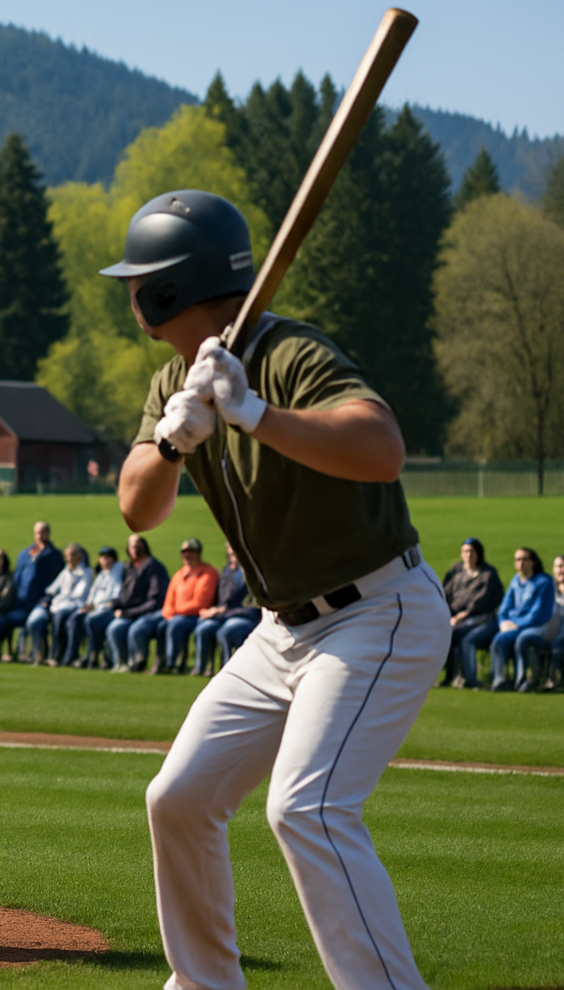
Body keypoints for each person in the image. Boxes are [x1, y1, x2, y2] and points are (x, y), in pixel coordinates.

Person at [107, 190, 448, 989]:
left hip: (377, 610)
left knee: (309, 808)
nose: (129, 296)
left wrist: (254, 412)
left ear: (165, 292)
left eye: (136, 282)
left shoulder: (289, 354)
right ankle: (204, 984)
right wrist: (170, 439)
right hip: (279, 632)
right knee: (179, 797)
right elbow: (136, 506)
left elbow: (383, 448)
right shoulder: (174, 382)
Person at [0, 521, 63, 660]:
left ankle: (36, 654)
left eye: (42, 532)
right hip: (22, 602)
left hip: (41, 603)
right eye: (36, 532)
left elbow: (57, 582)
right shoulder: (25, 554)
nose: (39, 535)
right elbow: (17, 578)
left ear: (48, 533)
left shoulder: (54, 556)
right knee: (2, 620)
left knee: (35, 622)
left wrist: (47, 601)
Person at [481, 547, 553, 692]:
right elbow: (504, 607)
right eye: (517, 560)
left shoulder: (544, 582)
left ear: (533, 562)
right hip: (513, 625)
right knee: (498, 638)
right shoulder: (516, 580)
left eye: (524, 559)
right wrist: (503, 622)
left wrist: (516, 624)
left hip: (538, 626)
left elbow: (537, 613)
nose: (520, 563)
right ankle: (499, 679)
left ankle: (522, 681)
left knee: (521, 639)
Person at [441, 537, 503, 688]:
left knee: (463, 639)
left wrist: (465, 614)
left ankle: (469, 679)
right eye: (465, 551)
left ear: (479, 553)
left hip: (482, 619)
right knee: (445, 633)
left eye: (472, 551)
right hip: (457, 618)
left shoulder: (487, 574)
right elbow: (444, 594)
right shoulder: (456, 572)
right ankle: (451, 676)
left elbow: (483, 600)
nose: (468, 555)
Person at [190, 543, 259, 677]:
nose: (232, 551)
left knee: (225, 631)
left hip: (244, 615)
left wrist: (222, 610)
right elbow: (222, 599)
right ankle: (201, 668)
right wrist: (213, 610)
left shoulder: (249, 571)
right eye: (230, 548)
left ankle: (227, 670)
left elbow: (244, 601)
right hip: (225, 615)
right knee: (203, 629)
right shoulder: (227, 570)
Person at [104, 534, 168, 672]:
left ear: (144, 546)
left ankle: (138, 663)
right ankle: (120, 663)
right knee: (114, 628)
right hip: (130, 613)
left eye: (137, 545)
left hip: (149, 612)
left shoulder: (153, 566)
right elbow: (125, 596)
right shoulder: (129, 567)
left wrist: (128, 613)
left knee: (136, 629)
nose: (134, 548)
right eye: (131, 545)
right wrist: (115, 603)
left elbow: (155, 600)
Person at [156, 538, 218, 674]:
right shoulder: (179, 574)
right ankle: (160, 661)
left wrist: (176, 612)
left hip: (195, 616)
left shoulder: (208, 573)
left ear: (199, 554)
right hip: (177, 616)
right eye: (185, 552)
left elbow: (200, 603)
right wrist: (168, 613)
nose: (188, 556)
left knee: (176, 625)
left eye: (192, 552)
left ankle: (172, 664)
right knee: (160, 626)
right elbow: (168, 600)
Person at [25, 543, 92, 665]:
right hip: (61, 605)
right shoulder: (66, 571)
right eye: (66, 556)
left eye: (71, 555)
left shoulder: (86, 572)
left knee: (60, 618)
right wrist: (48, 600)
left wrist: (57, 602)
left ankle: (58, 655)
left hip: (75, 606)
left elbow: (79, 594)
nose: (68, 559)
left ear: (79, 556)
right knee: (45, 618)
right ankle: (43, 653)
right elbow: (53, 588)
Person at [70, 547, 124, 668]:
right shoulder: (102, 573)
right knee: (75, 618)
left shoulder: (118, 572)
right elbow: (93, 592)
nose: (104, 560)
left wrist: (110, 604)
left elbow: (116, 594)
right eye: (102, 557)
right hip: (95, 607)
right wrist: (89, 604)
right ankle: (73, 655)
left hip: (108, 609)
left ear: (113, 559)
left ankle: (93, 653)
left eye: (107, 557)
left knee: (91, 621)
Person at [517, 555, 564, 692]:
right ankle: (529, 680)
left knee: (557, 647)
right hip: (546, 629)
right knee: (527, 640)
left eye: (562, 566)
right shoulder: (547, 587)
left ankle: (553, 682)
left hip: (561, 633)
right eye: (557, 566)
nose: (560, 570)